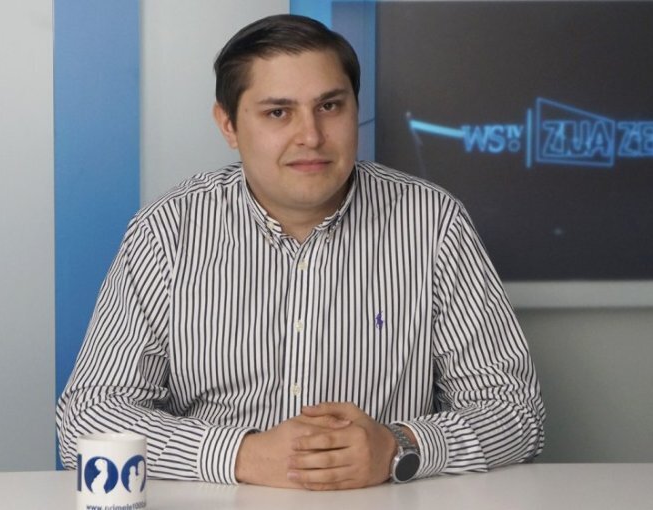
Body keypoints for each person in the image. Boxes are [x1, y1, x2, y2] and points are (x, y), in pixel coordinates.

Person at [56, 13, 544, 491]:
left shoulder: (432, 222)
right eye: (278, 112)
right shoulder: (169, 231)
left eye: (330, 106)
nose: (311, 136)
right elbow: (88, 416)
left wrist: (398, 447)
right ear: (228, 125)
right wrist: (243, 455)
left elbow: (515, 412)